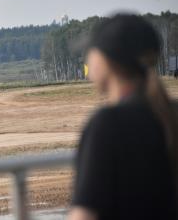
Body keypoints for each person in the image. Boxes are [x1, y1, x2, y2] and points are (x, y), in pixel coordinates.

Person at [69, 14, 177, 220]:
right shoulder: (170, 113)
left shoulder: (107, 124)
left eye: (90, 52)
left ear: (105, 60)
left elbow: (84, 214)